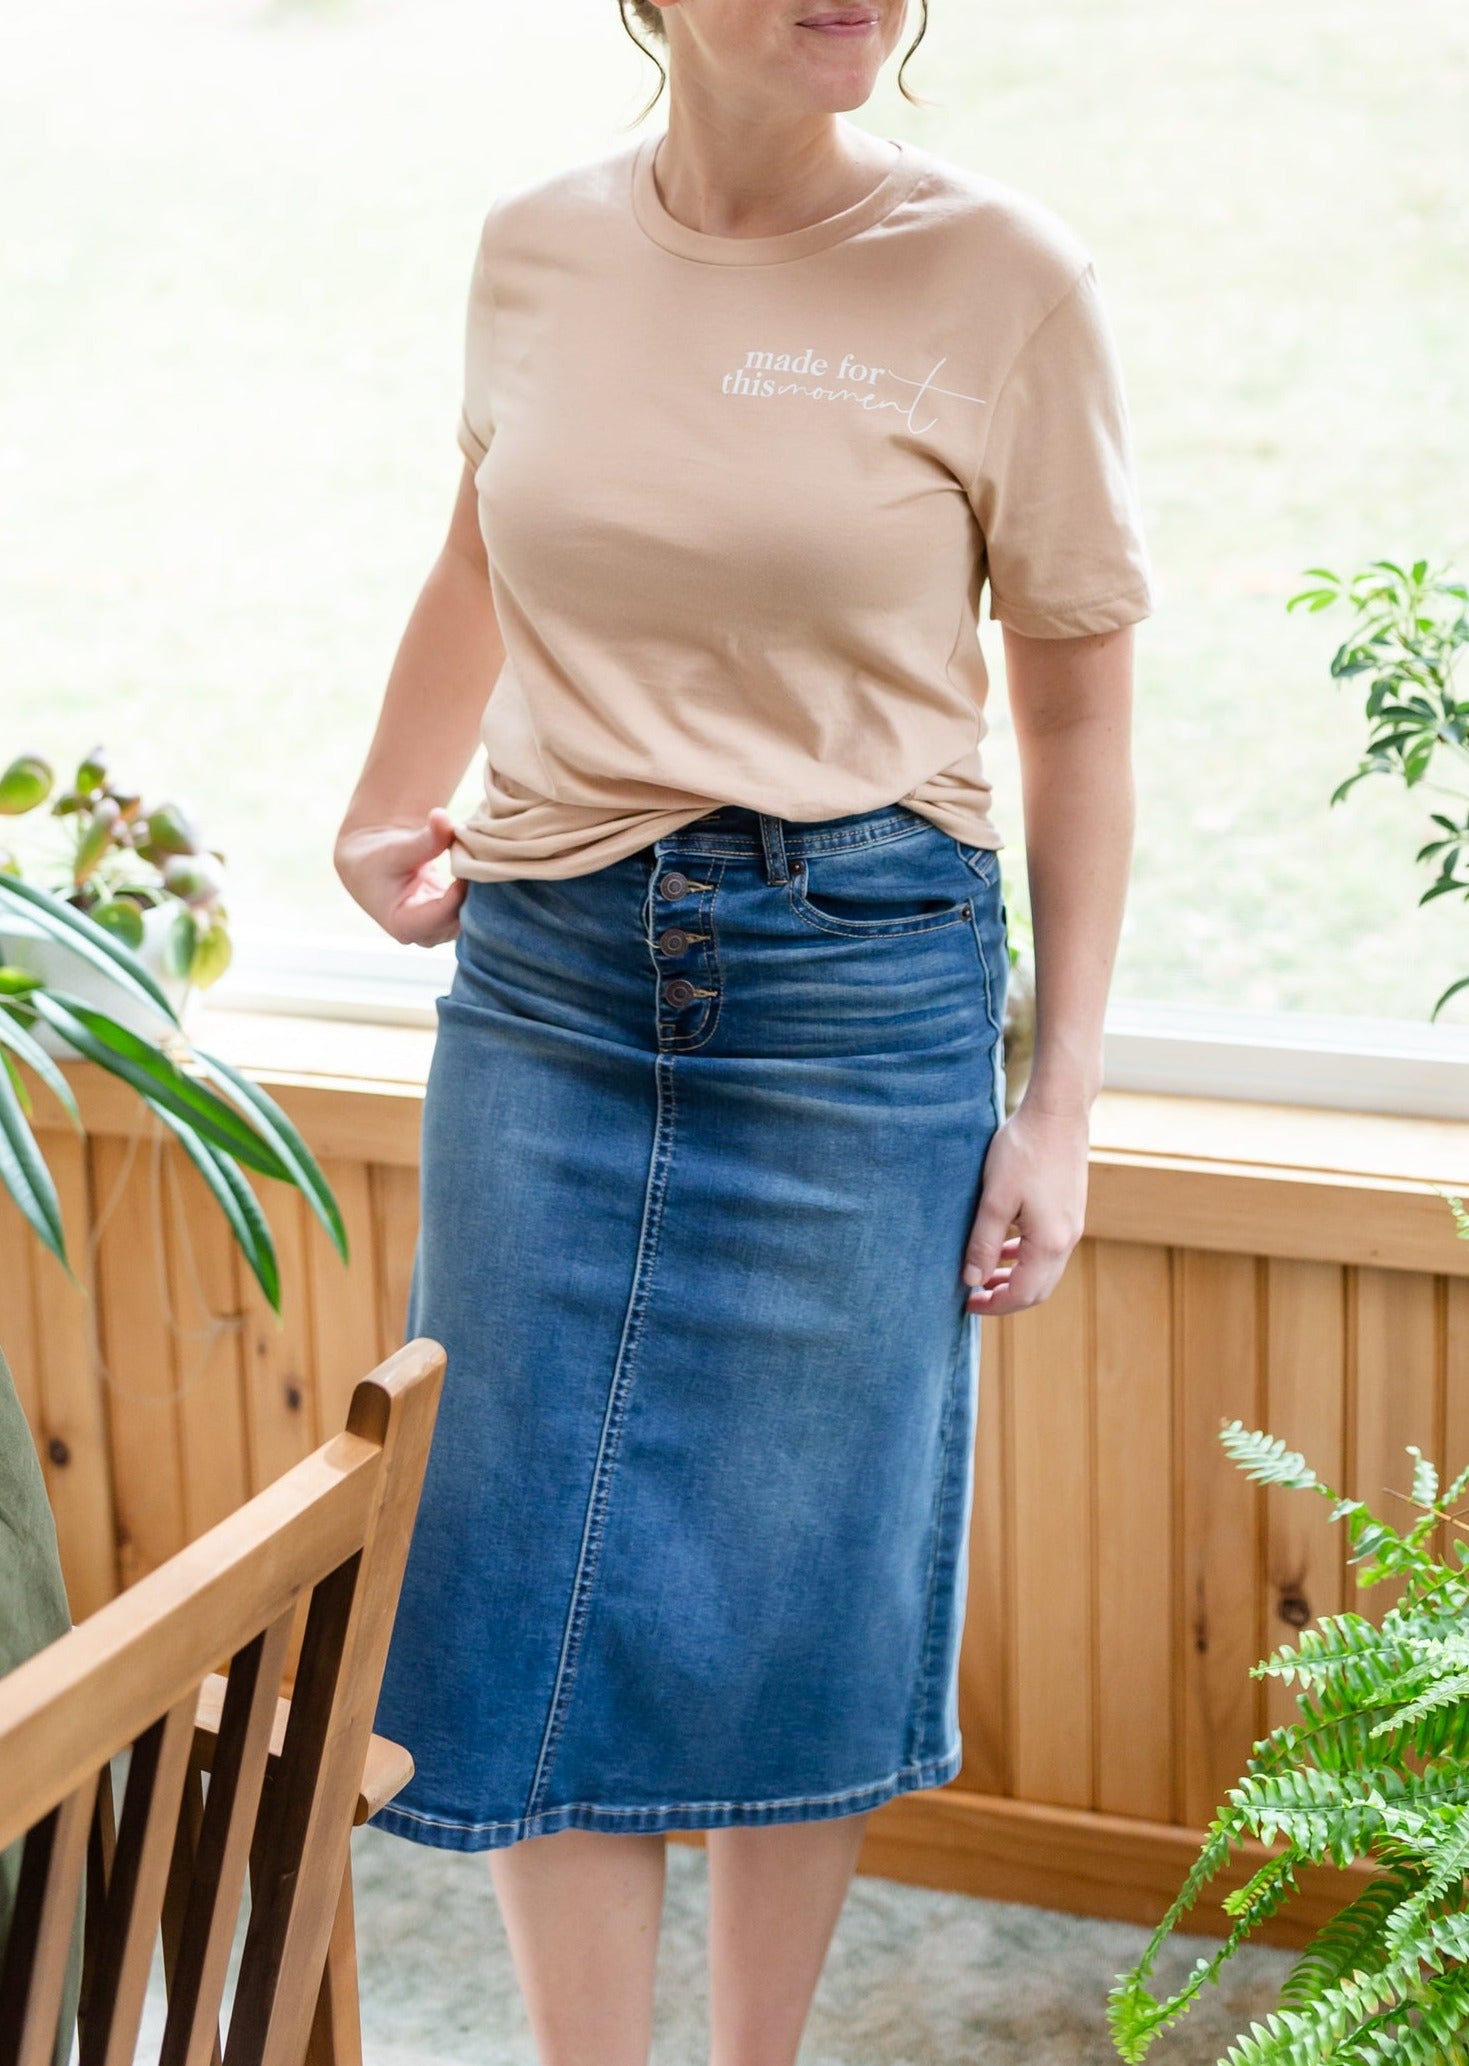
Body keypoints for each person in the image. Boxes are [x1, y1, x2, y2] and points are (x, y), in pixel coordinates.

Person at [334, 1, 1154, 2059]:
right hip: (545, 983)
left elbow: (1077, 715)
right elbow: (480, 546)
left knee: (803, 1587)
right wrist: (383, 797)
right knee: (524, 1572)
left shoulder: (1008, 278)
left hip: (856, 996)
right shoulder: (536, 244)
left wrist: (1058, 1102)